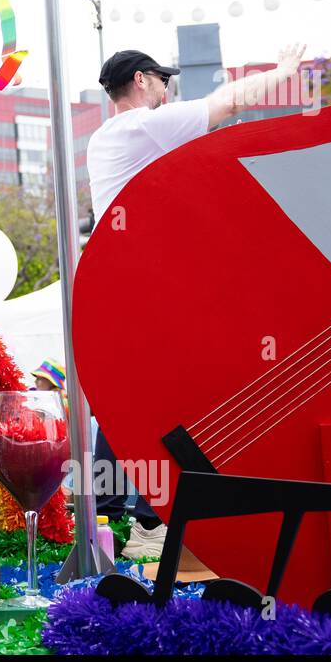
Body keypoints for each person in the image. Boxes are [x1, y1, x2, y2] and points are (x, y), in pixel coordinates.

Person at [86, 43, 306, 559]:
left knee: (128, 398)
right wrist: (285, 72)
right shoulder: (142, 125)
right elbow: (228, 103)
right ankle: (146, 522)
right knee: (163, 398)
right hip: (142, 288)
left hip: (124, 285)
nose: (167, 90)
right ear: (141, 81)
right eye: (163, 81)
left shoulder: (109, 138)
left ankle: (109, 514)